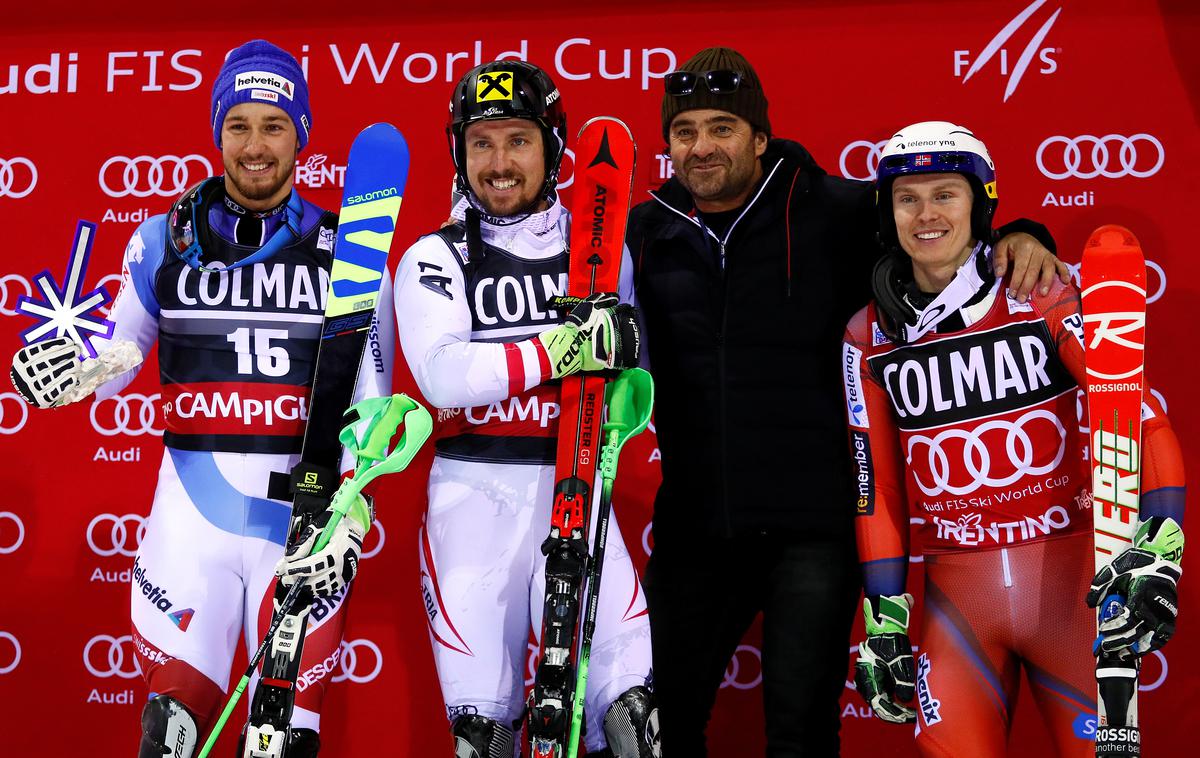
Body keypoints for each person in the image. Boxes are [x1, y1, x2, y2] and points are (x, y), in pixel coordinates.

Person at [625, 47, 1067, 756]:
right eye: (684, 132)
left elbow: (941, 234)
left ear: (759, 137)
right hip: (695, 528)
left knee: (800, 733)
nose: (701, 147)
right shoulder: (644, 231)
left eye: (721, 128)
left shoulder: (834, 208)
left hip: (814, 534)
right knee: (655, 721)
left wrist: (1021, 234)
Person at [8, 40, 391, 757]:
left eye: (273, 126)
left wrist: (352, 517)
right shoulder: (161, 239)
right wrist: (75, 370)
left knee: (281, 740)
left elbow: (374, 410)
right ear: (217, 131)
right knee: (170, 735)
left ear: (301, 134)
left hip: (304, 524)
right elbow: (118, 355)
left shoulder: (351, 248)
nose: (255, 146)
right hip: (190, 519)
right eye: (238, 125)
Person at [843, 120, 1185, 757]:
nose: (926, 214)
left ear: (982, 204)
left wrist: (1161, 545)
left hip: (1074, 588)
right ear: (887, 213)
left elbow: (1141, 418)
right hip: (958, 605)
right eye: (907, 198)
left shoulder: (1043, 294)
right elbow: (878, 487)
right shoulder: (867, 335)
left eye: (946, 194)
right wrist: (884, 617)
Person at [393, 60, 658, 758]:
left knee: (633, 720)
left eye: (518, 140)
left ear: (553, 147)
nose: (499, 162)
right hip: (473, 507)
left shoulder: (599, 251)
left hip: (579, 492)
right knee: (486, 736)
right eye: (481, 143)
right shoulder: (433, 256)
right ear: (459, 152)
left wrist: (630, 367)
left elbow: (635, 365)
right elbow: (446, 376)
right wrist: (565, 346)